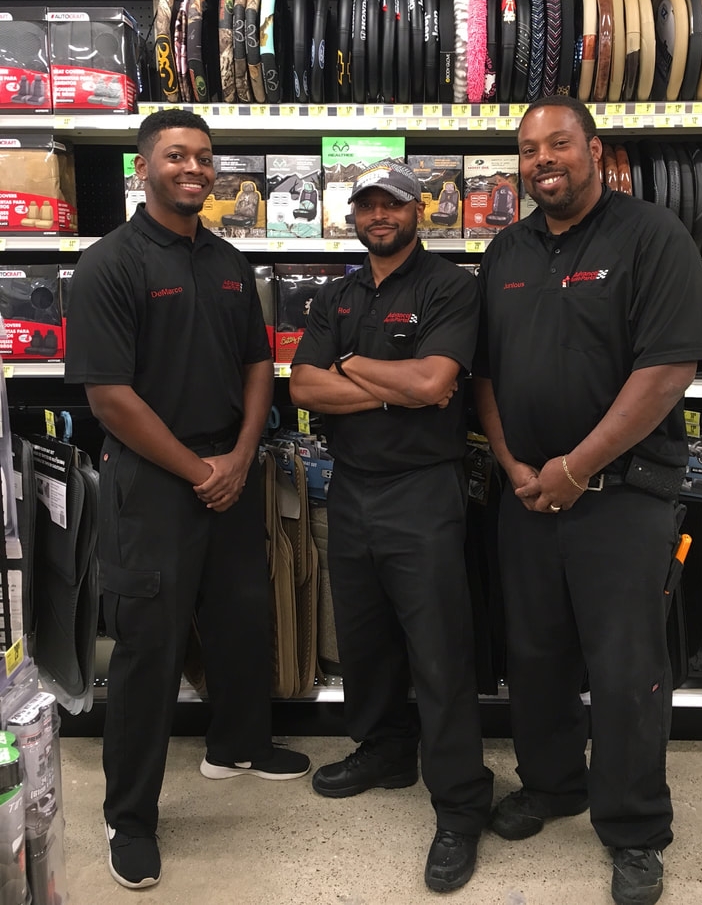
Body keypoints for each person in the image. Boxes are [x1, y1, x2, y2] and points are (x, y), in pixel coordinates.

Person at [473, 97, 702, 905]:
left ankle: (635, 827)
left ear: (594, 149)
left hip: (622, 496)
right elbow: (485, 374)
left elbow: (668, 370)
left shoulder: (652, 236)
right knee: (534, 657)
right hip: (525, 496)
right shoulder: (505, 251)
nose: (543, 160)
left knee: (625, 671)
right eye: (529, 150)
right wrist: (512, 463)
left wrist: (576, 468)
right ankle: (552, 785)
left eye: (559, 144)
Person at [64, 108, 309, 890]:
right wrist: (199, 470)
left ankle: (238, 745)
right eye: (176, 156)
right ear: (143, 168)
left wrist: (239, 455)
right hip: (154, 480)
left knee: (241, 615)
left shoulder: (230, 262)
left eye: (204, 156)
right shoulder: (109, 264)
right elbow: (109, 397)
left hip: (230, 467)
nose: (194, 168)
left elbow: (258, 364)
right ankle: (129, 817)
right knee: (149, 649)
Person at [290, 159, 493, 893]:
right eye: (367, 205)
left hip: (423, 491)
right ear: (353, 215)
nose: (380, 215)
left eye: (394, 204)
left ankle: (461, 804)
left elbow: (435, 383)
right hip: (351, 488)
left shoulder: (450, 287)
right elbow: (302, 385)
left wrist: (350, 367)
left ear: (419, 212)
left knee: (439, 651)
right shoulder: (335, 295)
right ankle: (384, 750)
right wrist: (386, 387)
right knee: (365, 637)